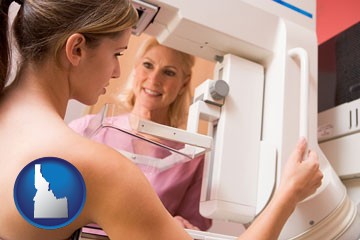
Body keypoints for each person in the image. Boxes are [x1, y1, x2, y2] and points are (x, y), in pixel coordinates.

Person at [0, 0, 323, 240]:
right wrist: (289, 194)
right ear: (77, 49)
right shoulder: (96, 165)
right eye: (118, 54)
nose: (115, 71)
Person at [69, 37, 212, 231]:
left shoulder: (192, 158)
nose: (154, 79)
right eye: (148, 65)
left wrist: (181, 225)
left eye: (169, 72)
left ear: (183, 84)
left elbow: (194, 227)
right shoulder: (87, 129)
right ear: (136, 69)